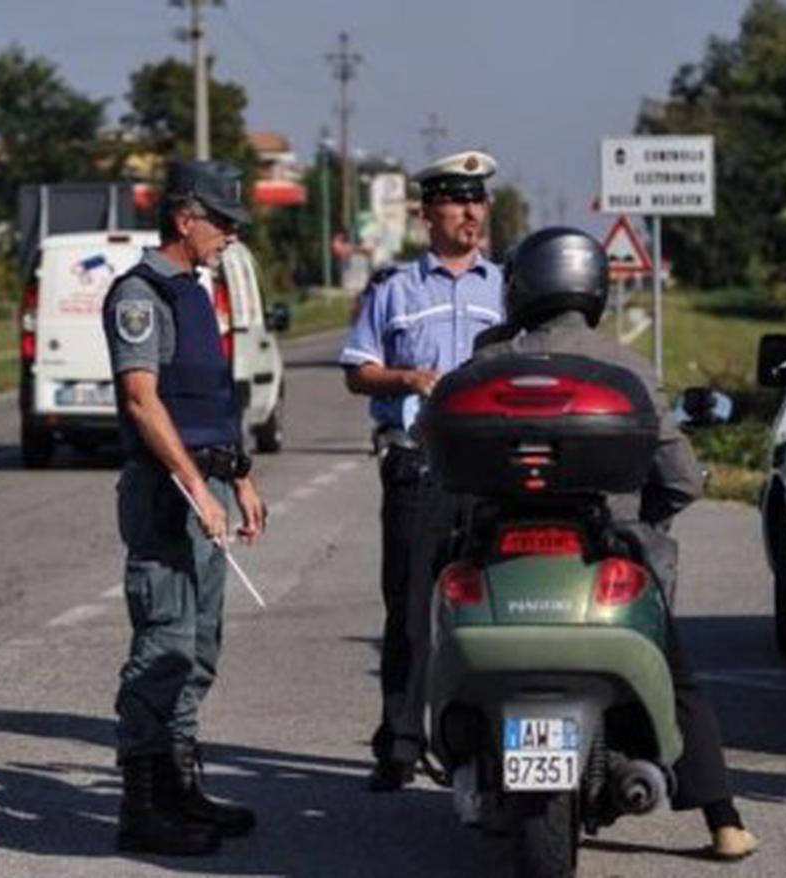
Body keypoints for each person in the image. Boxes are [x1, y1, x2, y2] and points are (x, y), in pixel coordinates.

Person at [472, 226, 759, 861]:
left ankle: (418, 748)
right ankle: (723, 820)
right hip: (610, 552)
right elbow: (681, 479)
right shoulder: (627, 367)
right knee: (678, 680)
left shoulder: (489, 360)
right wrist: (639, 524)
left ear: (521, 285)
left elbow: (451, 469)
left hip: (502, 559)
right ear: (592, 286)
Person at [102, 160, 267, 856]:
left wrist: (240, 477)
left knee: (198, 647)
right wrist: (197, 487)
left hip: (207, 487)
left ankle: (179, 787)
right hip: (168, 494)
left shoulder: (195, 292)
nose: (231, 234)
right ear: (183, 219)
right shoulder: (140, 296)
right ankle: (142, 808)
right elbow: (143, 402)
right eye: (222, 221)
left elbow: (209, 401)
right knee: (163, 645)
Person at [339, 150, 505, 791]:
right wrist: (408, 377)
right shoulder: (395, 289)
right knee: (410, 610)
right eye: (458, 201)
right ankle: (400, 746)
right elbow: (358, 371)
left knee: (494, 607)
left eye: (478, 200)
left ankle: (485, 740)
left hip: (491, 472)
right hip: (419, 466)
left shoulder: (506, 287)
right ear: (428, 213)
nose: (471, 212)